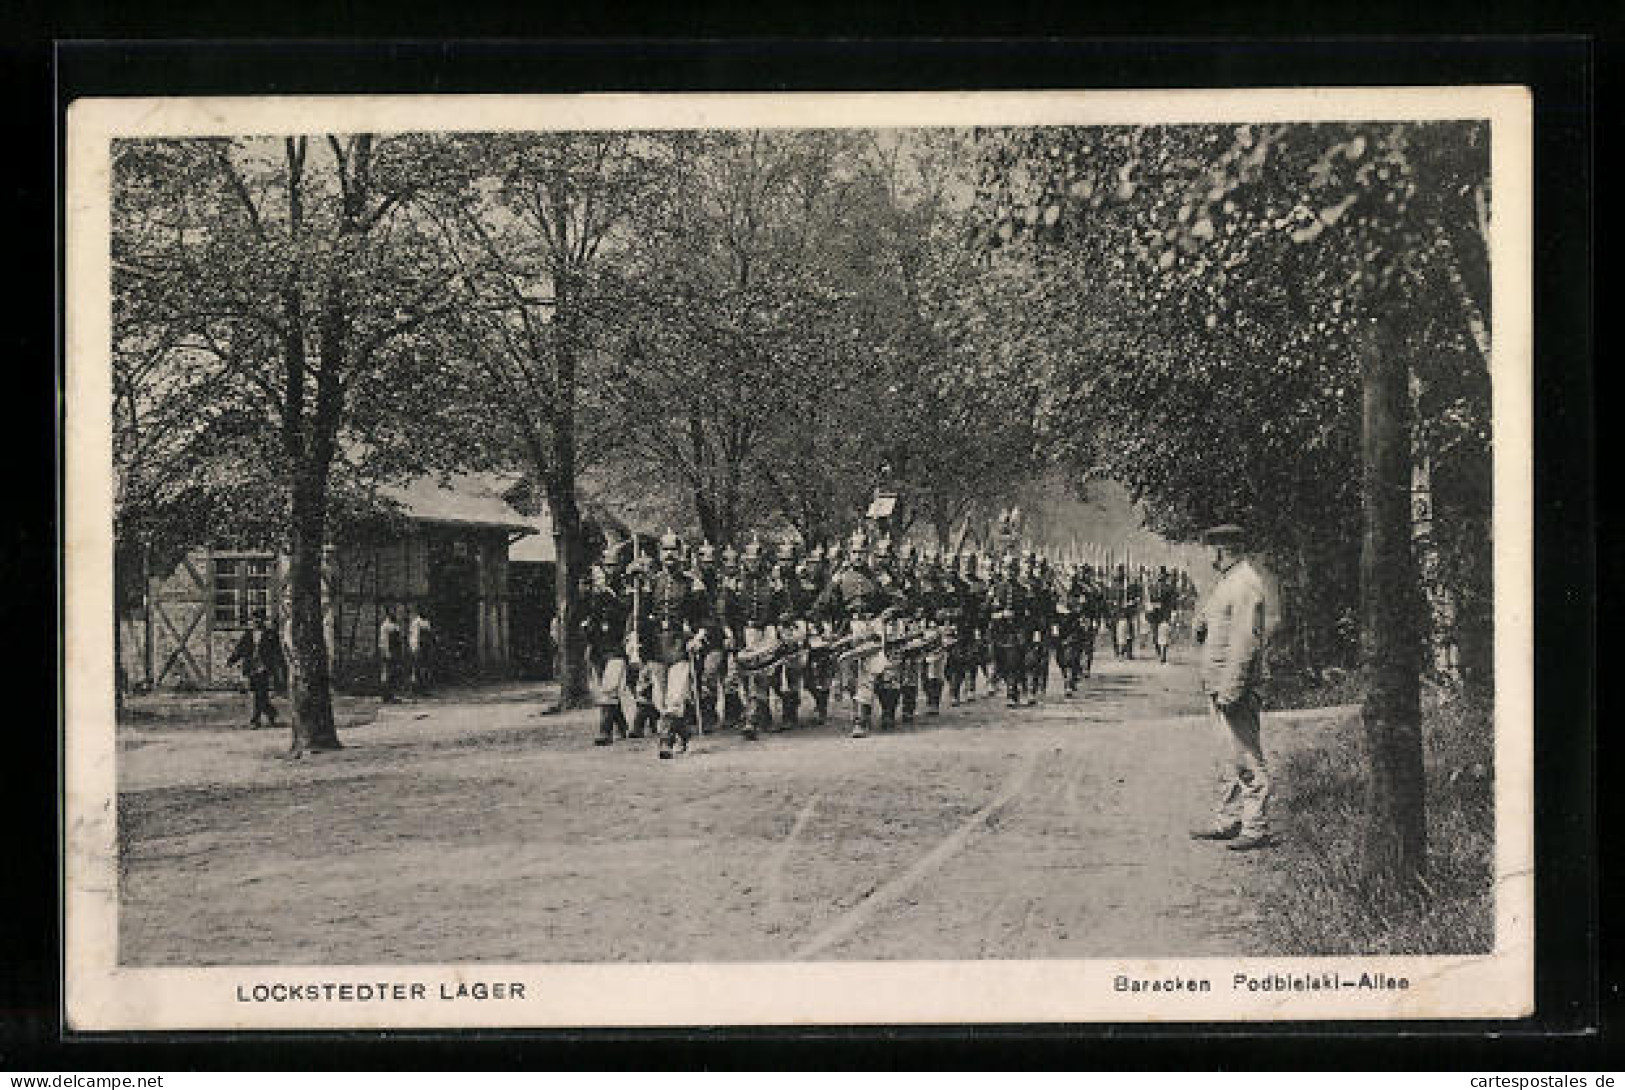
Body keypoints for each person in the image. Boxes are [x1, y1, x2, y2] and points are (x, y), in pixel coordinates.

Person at [1189, 524, 1273, 851]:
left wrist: (1233, 687)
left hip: (1232, 686)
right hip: (1218, 683)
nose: (1208, 555)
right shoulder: (1228, 582)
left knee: (1247, 758)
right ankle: (1228, 821)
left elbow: (1245, 641)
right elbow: (1210, 621)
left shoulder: (1245, 583)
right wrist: (1201, 625)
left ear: (1222, 550)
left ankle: (1255, 827)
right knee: (1228, 758)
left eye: (1211, 549)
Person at [811, 529, 902, 738]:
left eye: (862, 551)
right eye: (854, 552)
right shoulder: (840, 576)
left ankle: (861, 720)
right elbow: (822, 604)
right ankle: (860, 710)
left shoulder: (880, 575)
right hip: (849, 628)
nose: (858, 555)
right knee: (849, 677)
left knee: (869, 674)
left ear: (868, 552)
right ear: (849, 553)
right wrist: (823, 623)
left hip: (873, 626)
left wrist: (888, 612)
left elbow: (899, 599)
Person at [633, 530, 710, 759]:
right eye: (665, 550)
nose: (669, 555)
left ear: (680, 553)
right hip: (656, 646)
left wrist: (699, 636)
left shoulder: (691, 583)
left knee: (675, 698)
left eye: (673, 551)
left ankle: (664, 742)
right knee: (660, 699)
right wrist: (636, 642)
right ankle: (683, 731)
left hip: (680, 645)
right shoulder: (651, 583)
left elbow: (705, 616)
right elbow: (639, 616)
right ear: (659, 554)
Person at [582, 541, 635, 745]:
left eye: (613, 566)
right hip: (598, 645)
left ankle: (605, 731)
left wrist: (608, 594)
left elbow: (626, 610)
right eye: (607, 565)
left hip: (617, 644)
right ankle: (621, 724)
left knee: (610, 686)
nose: (610, 569)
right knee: (605, 687)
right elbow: (587, 613)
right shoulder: (594, 589)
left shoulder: (625, 588)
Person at [227, 610, 287, 729]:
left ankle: (255, 720)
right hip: (251, 667)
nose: (256, 622)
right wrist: (232, 660)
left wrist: (280, 667)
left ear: (263, 620)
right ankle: (271, 713)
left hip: (264, 667)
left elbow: (277, 652)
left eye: (259, 619)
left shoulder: (271, 634)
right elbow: (240, 649)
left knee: (260, 693)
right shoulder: (248, 634)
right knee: (258, 694)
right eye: (254, 620)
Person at [377, 608, 405, 703]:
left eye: (395, 612)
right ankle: (386, 695)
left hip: (396, 653)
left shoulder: (395, 626)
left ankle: (391, 694)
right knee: (387, 674)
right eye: (392, 612)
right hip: (389, 653)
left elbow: (398, 641)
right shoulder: (385, 626)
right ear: (388, 614)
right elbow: (383, 641)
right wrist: (386, 653)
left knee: (394, 674)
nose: (395, 614)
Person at [407, 606, 436, 696]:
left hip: (425, 648)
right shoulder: (416, 622)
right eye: (424, 610)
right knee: (415, 668)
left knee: (425, 668)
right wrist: (415, 647)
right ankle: (413, 689)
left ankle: (423, 688)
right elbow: (414, 636)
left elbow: (429, 635)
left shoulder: (427, 622)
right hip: (418, 647)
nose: (426, 612)